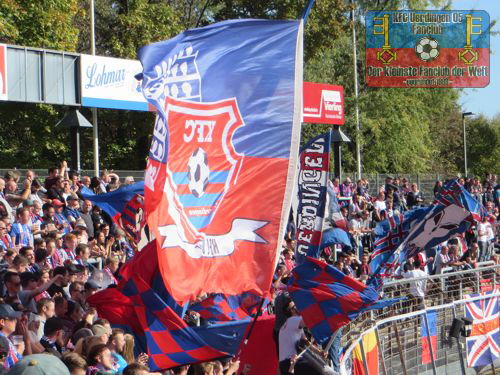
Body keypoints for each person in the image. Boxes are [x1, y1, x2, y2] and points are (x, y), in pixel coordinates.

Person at [0, 304, 25, 368]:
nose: (16, 321)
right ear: (2, 322)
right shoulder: (1, 342)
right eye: (12, 318)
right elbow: (12, 367)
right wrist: (19, 351)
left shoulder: (6, 339)